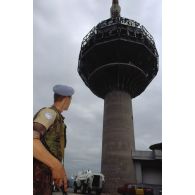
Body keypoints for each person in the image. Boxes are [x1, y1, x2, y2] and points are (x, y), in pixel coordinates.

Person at [33, 84, 74, 195]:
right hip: (36, 178)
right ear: (66, 99)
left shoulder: (59, 119)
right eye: (71, 99)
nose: (71, 102)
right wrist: (56, 165)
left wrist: (59, 170)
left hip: (44, 177)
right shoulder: (50, 114)